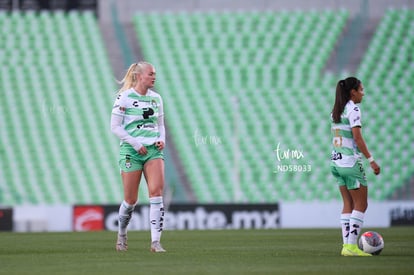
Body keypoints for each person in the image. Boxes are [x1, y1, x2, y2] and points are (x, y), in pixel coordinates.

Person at [110, 61, 166, 252]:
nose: (154, 76)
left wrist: (161, 139)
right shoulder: (124, 98)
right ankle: (122, 234)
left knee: (157, 192)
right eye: (151, 73)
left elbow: (160, 124)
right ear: (139, 76)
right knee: (130, 200)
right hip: (131, 152)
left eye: (154, 74)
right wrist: (136, 143)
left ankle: (155, 242)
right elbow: (115, 127)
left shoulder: (156, 98)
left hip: (152, 151)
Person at [330, 77, 380, 256]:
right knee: (361, 203)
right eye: (361, 90)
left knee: (348, 203)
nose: (363, 93)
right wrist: (371, 159)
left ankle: (346, 247)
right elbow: (357, 138)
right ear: (353, 92)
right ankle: (351, 246)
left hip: (336, 162)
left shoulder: (336, 111)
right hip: (350, 162)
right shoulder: (353, 109)